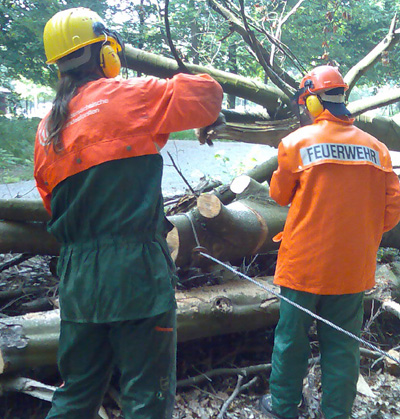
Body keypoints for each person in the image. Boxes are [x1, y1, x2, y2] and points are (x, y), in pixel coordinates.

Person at [34, 7, 223, 419]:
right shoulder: (131, 95)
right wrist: (133, 58)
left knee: (75, 393)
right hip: (136, 275)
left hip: (78, 281)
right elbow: (208, 94)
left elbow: (51, 202)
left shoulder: (47, 128)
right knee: (147, 399)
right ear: (106, 55)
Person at [259, 65, 400, 419]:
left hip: (302, 266)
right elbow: (392, 210)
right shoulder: (378, 150)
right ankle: (337, 412)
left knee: (291, 340)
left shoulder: (296, 142)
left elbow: (278, 195)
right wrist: (360, 235)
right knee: (342, 345)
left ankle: (283, 407)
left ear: (313, 102)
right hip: (353, 269)